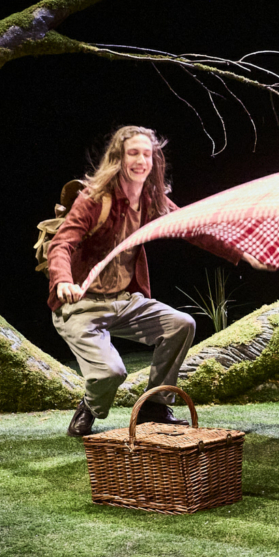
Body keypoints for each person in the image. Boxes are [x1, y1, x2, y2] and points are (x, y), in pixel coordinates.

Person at [45, 125, 199, 438]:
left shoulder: (152, 200)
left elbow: (193, 226)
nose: (141, 160)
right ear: (119, 157)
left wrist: (243, 252)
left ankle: (155, 406)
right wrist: (62, 280)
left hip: (125, 302)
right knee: (111, 372)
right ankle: (89, 407)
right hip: (82, 304)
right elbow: (61, 244)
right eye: (133, 153)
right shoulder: (94, 199)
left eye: (147, 154)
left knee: (181, 324)